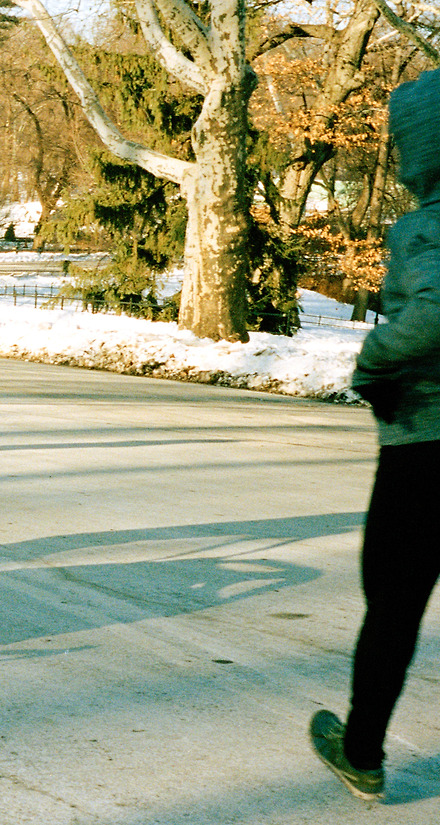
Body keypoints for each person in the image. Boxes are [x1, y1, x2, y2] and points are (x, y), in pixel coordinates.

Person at [309, 69, 440, 803]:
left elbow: (431, 315)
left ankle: (360, 751)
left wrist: (373, 356)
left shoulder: (426, 226)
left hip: (425, 446)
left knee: (392, 603)